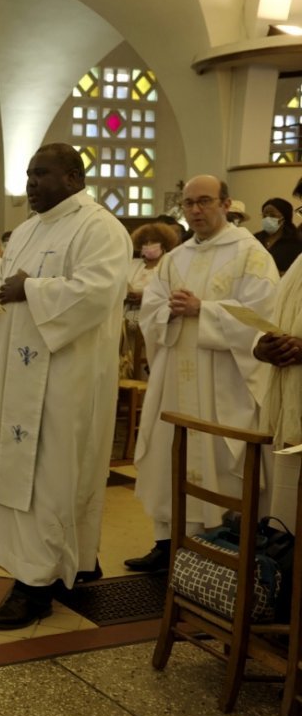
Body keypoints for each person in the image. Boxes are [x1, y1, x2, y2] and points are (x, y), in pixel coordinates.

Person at [0, 143, 131, 629]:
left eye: (41, 173)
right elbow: (6, 282)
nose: (31, 183)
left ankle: (35, 586)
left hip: (66, 378)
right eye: (28, 173)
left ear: (74, 177)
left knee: (56, 473)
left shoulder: (100, 227)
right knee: (37, 474)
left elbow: (98, 293)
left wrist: (29, 290)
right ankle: (70, 560)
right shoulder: (29, 229)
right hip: (21, 375)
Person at [125, 176, 278, 572]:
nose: (195, 210)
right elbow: (150, 311)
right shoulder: (176, 258)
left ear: (225, 204)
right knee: (166, 453)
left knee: (217, 456)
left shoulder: (251, 254)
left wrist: (204, 310)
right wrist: (168, 311)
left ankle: (219, 544)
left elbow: (262, 316)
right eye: (189, 203)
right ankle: (166, 540)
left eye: (205, 202)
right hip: (175, 373)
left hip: (224, 378)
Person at [256, 256, 302, 530]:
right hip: (292, 408)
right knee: (288, 518)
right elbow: (274, 320)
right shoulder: (297, 263)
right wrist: (263, 349)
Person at [120, 222, 178, 378]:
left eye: (152, 242)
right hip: (128, 317)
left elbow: (170, 292)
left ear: (163, 243)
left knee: (147, 359)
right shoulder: (133, 264)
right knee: (127, 357)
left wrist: (145, 297)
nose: (148, 246)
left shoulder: (171, 265)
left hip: (154, 320)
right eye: (145, 243)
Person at [254, 197, 302, 275]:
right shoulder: (255, 239)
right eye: (264, 216)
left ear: (284, 218)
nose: (267, 219)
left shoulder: (296, 243)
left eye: (272, 215)